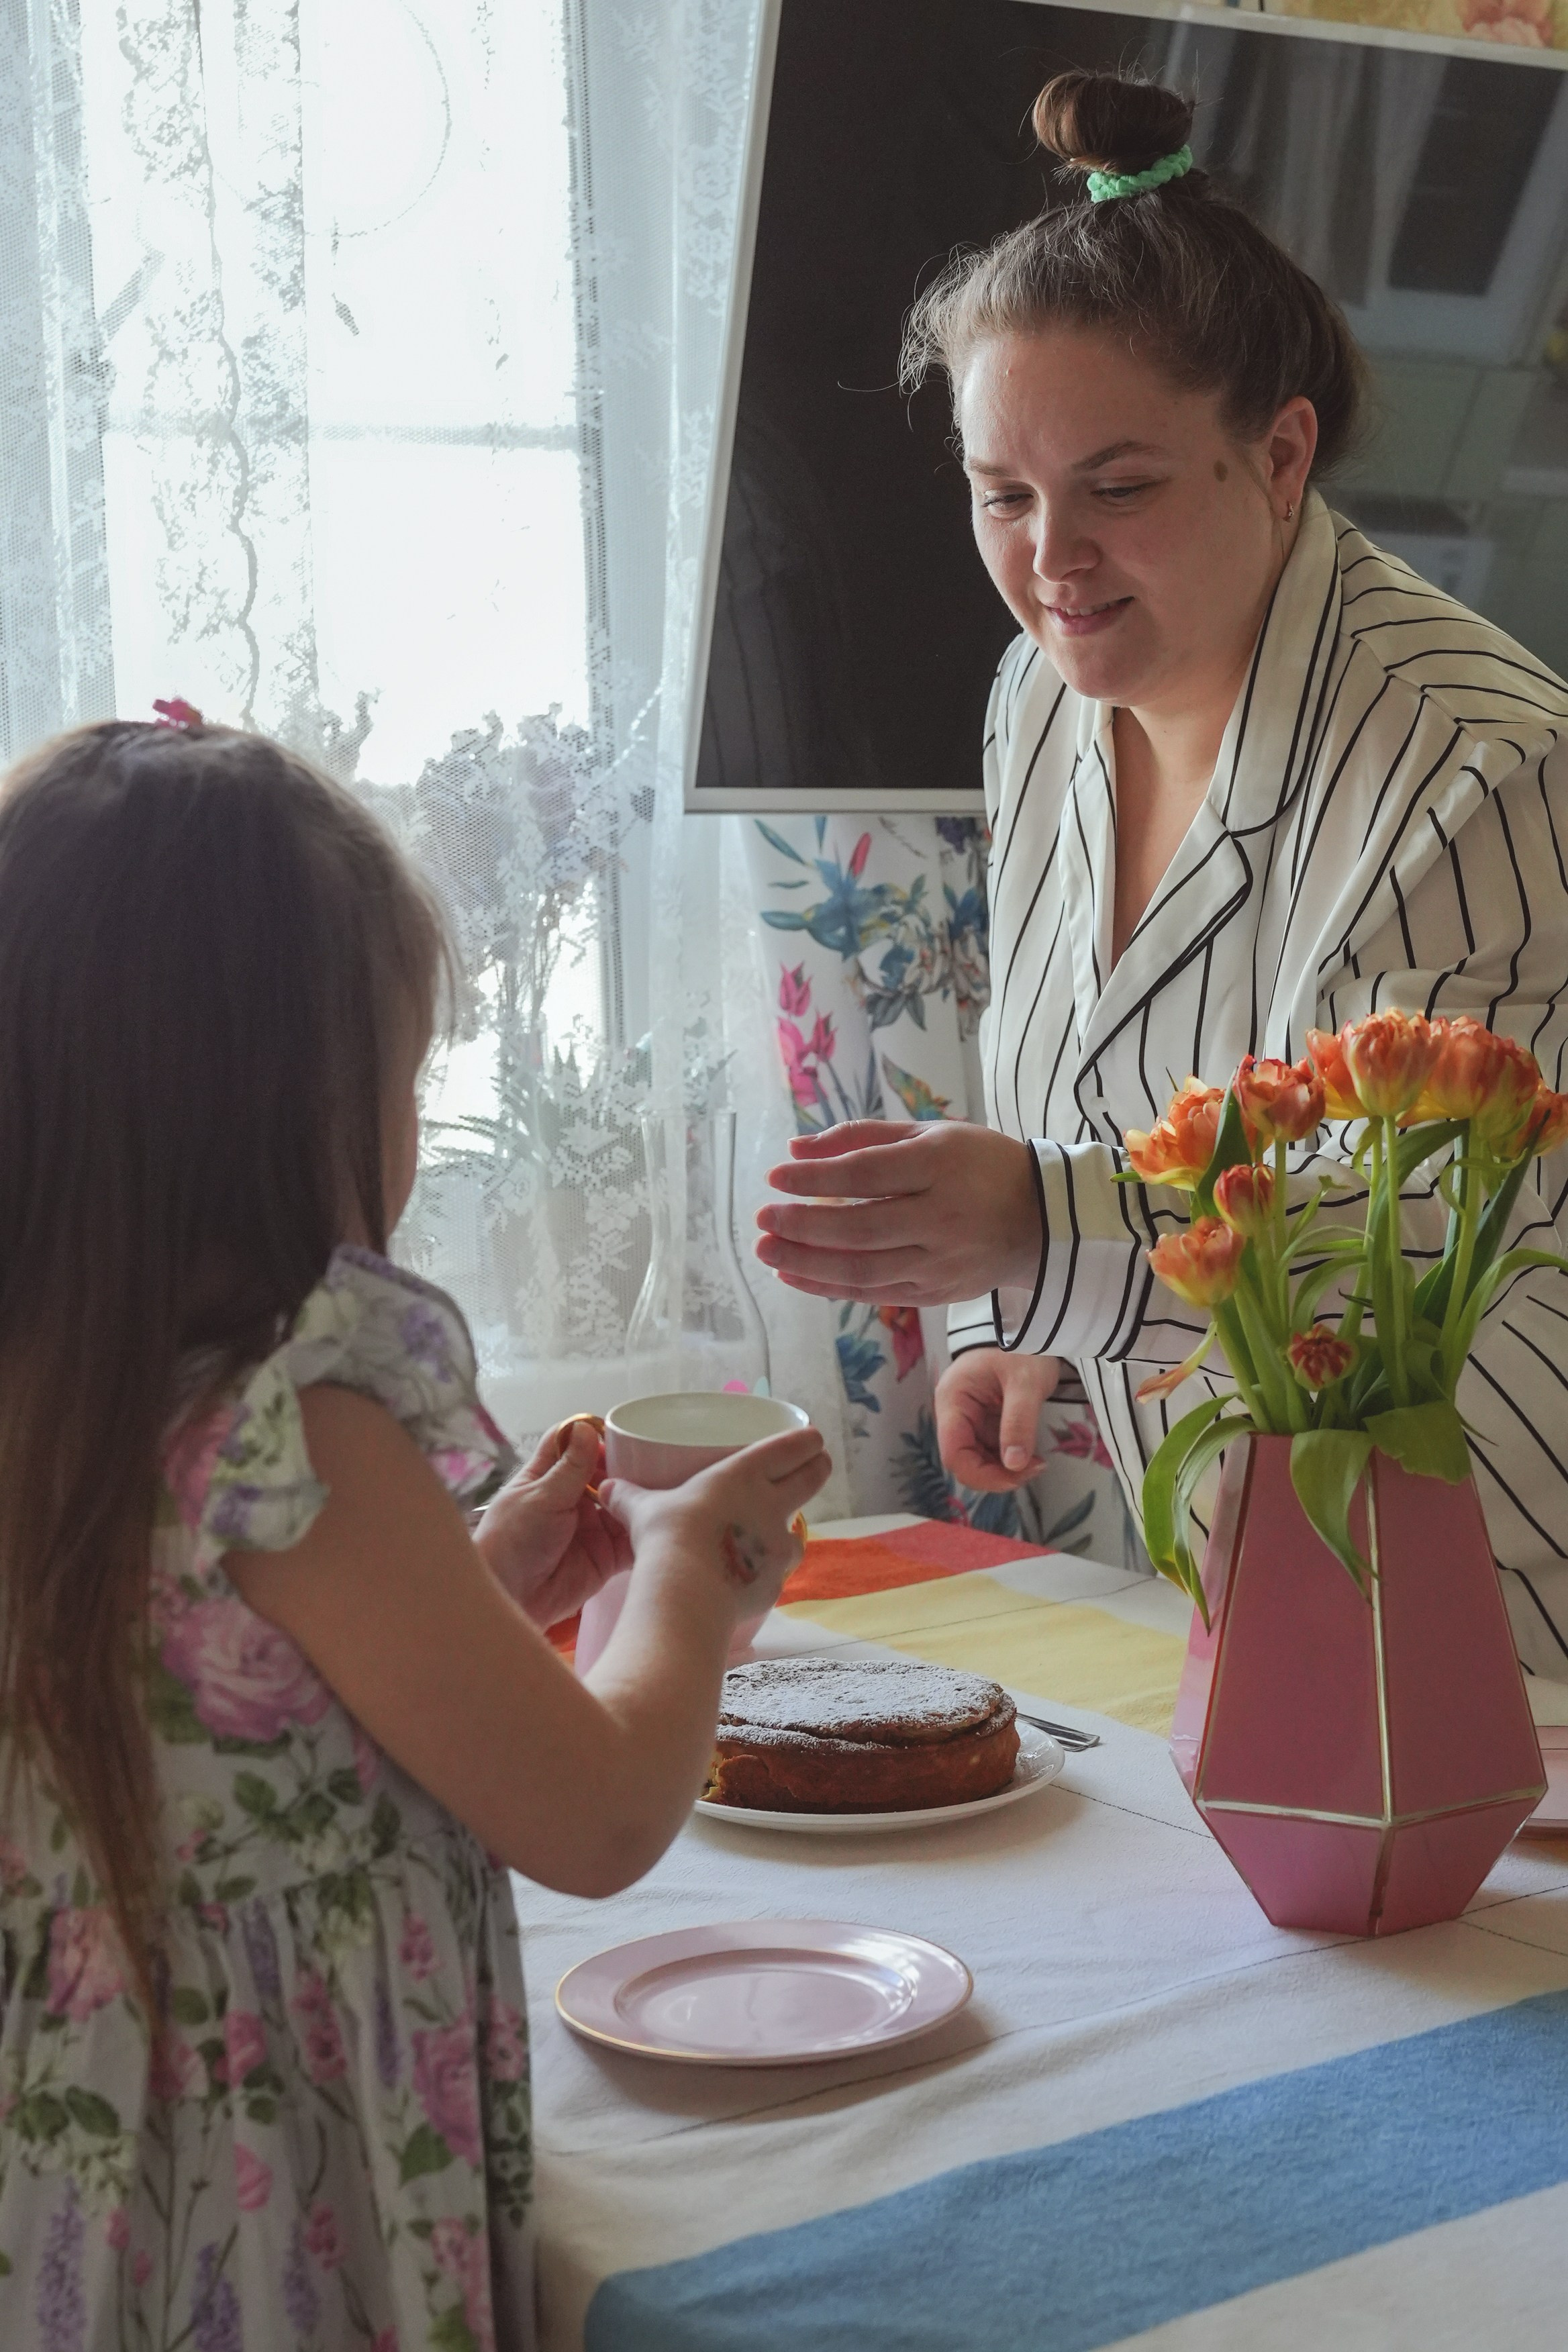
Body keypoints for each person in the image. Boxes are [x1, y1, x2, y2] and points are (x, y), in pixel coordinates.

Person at [0, 713, 829, 2345]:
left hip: (79, 2191)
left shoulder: (60, 1396)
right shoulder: (295, 1426)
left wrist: (488, 1590)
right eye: (402, 1078)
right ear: (281, 1104)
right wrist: (683, 1574)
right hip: (266, 2212)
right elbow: (595, 1821)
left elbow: (217, 1718)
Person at [755, 68, 1568, 1673]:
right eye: (1003, 496)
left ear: (1276, 455)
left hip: (1506, 1579)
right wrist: (1028, 1327)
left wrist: (1045, 1238)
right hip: (1244, 1569)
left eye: (1116, 489)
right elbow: (1091, 1072)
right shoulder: (1041, 702)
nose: (1050, 558)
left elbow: (1419, 1241)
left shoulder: (1477, 764)